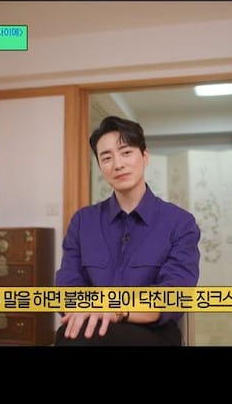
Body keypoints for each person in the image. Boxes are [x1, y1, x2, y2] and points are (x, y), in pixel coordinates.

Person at [54, 115, 201, 346]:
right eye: (106, 158)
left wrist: (117, 309)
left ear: (144, 156)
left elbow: (174, 293)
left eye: (126, 152)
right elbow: (68, 282)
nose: (117, 164)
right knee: (70, 335)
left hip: (153, 332)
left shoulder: (180, 222)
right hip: (91, 328)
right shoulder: (82, 221)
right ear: (100, 166)